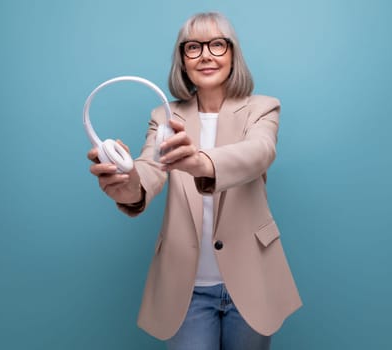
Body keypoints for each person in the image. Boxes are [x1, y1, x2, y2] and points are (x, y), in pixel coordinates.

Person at [87, 11, 302, 350]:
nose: (205, 55)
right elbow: (149, 171)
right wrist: (125, 182)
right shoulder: (165, 116)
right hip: (185, 290)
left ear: (233, 54)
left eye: (217, 45)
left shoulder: (262, 107)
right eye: (193, 47)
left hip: (251, 281)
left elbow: (259, 152)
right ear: (182, 60)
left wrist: (200, 161)